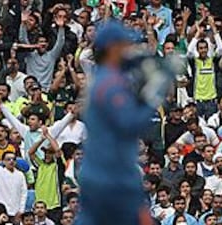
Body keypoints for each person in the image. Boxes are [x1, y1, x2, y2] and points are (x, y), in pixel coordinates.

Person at [76, 20, 173, 225]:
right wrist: (154, 94)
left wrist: (144, 62)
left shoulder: (104, 76)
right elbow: (130, 123)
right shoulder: (110, 82)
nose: (129, 49)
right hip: (113, 176)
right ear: (112, 47)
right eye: (124, 44)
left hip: (98, 172)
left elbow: (128, 64)